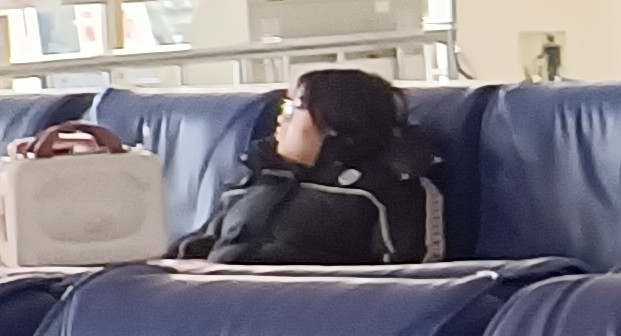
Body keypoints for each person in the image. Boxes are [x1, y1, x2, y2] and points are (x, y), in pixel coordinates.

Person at [178, 66, 443, 264]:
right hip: (221, 302)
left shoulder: (385, 191)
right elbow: (202, 244)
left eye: (294, 107)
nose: (281, 118)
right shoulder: (255, 177)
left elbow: (407, 278)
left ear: (333, 120)